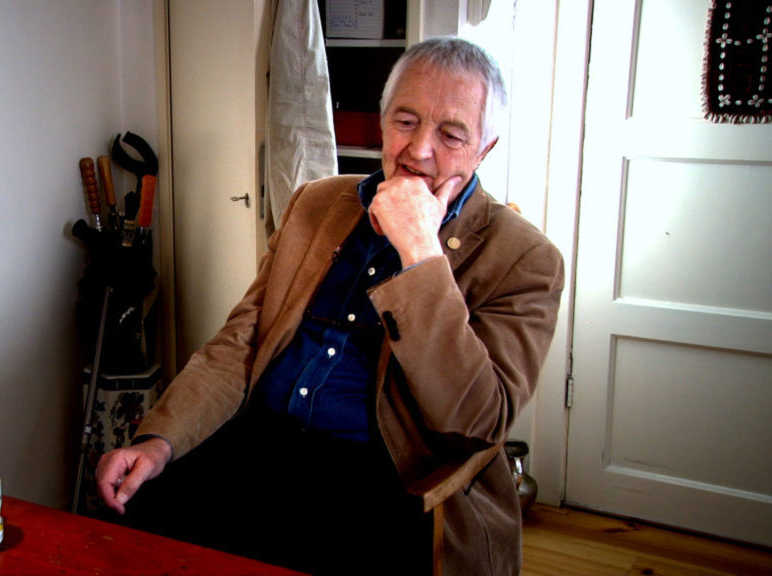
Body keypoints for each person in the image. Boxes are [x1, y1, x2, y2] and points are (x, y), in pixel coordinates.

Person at [96, 37, 564, 575]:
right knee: (132, 526)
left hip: (386, 475)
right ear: (382, 122)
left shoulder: (526, 260)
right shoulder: (318, 203)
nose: (419, 151)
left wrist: (420, 254)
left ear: (485, 147)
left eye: (452, 134)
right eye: (405, 122)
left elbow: (476, 422)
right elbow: (240, 343)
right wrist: (161, 438)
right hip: (261, 442)